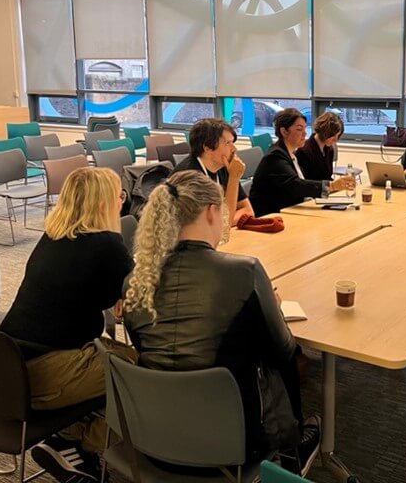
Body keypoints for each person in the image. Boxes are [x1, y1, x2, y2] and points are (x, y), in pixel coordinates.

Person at [124, 171, 321, 476]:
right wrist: (273, 308)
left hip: (151, 437)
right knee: (281, 363)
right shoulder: (243, 272)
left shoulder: (136, 282)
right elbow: (283, 351)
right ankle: (293, 449)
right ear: (212, 212)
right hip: (233, 445)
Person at [0, 167, 135, 483]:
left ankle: (69, 433)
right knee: (144, 372)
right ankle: (76, 441)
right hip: (43, 375)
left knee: (117, 355)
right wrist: (126, 291)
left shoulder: (54, 236)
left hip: (8, 365)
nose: (122, 202)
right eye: (120, 195)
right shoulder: (106, 246)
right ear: (103, 203)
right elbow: (138, 297)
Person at [249, 108, 355, 216]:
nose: (304, 133)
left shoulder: (289, 154)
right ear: (284, 131)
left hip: (288, 210)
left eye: (305, 128)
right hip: (270, 216)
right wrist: (331, 186)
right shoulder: (275, 156)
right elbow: (296, 185)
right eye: (299, 129)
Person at [173, 118, 254, 226]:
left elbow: (247, 210)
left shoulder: (224, 167)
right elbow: (218, 224)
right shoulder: (189, 177)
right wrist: (234, 178)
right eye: (227, 143)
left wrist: (223, 223)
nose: (234, 149)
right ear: (207, 148)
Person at [295, 111, 344, 181]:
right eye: (333, 136)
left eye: (338, 136)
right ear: (325, 133)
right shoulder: (304, 151)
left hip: (325, 190)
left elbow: (327, 177)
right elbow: (305, 183)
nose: (336, 140)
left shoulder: (329, 149)